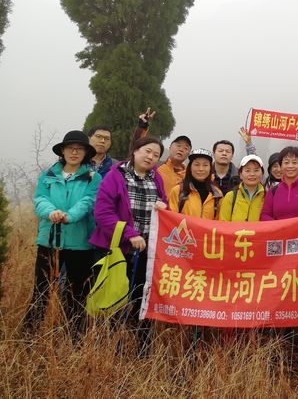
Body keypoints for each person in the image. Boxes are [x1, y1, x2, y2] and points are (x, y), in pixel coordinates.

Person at [89, 135, 167, 350]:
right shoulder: (115, 176)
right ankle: (107, 348)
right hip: (116, 249)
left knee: (141, 298)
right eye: (147, 151)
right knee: (113, 298)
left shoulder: (156, 178)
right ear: (135, 151)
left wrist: (164, 207)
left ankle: (141, 348)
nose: (150, 157)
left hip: (145, 251)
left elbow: (163, 205)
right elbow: (103, 213)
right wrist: (129, 234)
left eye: (156, 155)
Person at [22, 130, 102, 334]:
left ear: (86, 153)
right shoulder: (48, 175)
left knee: (77, 292)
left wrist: (69, 216)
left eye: (79, 149)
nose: (74, 152)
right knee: (41, 289)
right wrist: (51, 212)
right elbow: (40, 199)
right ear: (63, 151)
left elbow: (89, 201)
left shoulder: (93, 177)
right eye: (70, 148)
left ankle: (74, 336)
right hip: (48, 241)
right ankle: (30, 335)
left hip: (80, 243)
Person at [129, 107, 191, 195]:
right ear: (170, 147)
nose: (181, 149)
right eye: (178, 145)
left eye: (186, 148)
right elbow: (137, 150)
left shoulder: (190, 175)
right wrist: (142, 127)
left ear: (188, 154)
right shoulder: (155, 166)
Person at [260, 146, 298, 221]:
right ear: (281, 166)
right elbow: (265, 215)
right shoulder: (273, 192)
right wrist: (280, 226)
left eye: (294, 162)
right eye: (286, 162)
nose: (290, 166)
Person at [168, 149, 223, 220]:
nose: (201, 169)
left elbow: (219, 222)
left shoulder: (217, 194)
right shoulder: (178, 191)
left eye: (205, 165)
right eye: (197, 165)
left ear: (210, 168)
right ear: (190, 167)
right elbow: (171, 219)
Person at [219, 155, 266, 222]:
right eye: (247, 170)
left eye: (256, 170)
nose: (252, 174)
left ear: (262, 174)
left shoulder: (267, 197)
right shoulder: (230, 196)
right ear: (240, 174)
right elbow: (223, 223)